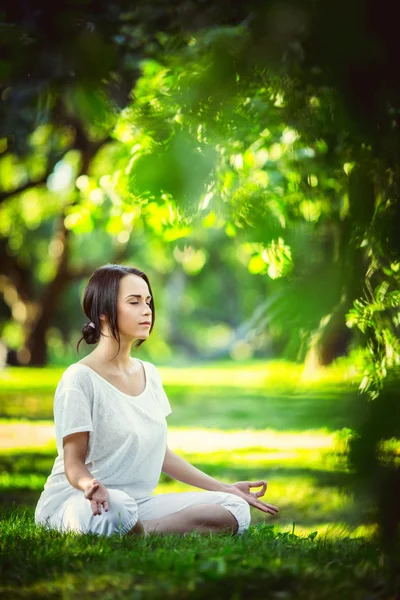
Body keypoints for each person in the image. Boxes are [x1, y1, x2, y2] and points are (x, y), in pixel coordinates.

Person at [34, 264, 279, 538]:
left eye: (148, 301)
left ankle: (141, 531)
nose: (147, 310)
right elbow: (73, 463)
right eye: (134, 302)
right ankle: (133, 527)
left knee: (235, 508)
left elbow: (159, 453)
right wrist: (91, 485)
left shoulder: (149, 374)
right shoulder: (79, 379)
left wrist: (224, 488)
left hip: (138, 505)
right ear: (103, 312)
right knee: (117, 508)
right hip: (82, 502)